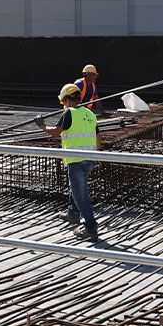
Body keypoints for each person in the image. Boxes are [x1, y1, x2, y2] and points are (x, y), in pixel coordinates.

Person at [44, 83, 99, 240]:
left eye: (63, 102)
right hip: (90, 158)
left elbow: (55, 132)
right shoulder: (90, 114)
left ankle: (90, 227)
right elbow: (98, 137)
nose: (64, 105)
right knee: (76, 186)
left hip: (76, 159)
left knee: (80, 193)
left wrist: (41, 125)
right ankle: (73, 213)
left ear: (67, 99)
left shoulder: (69, 113)